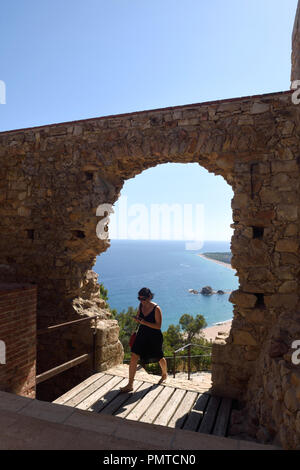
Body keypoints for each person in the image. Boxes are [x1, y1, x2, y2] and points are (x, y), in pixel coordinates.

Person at [120, 287, 168, 393]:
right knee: (133, 356)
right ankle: (130, 384)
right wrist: (137, 318)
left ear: (150, 297)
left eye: (144, 299)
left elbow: (158, 326)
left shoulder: (156, 308)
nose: (142, 301)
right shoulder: (141, 305)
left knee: (159, 357)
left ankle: (164, 374)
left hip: (154, 336)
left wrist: (143, 322)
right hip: (142, 334)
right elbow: (139, 316)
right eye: (139, 299)